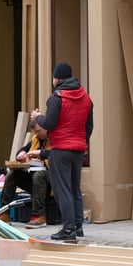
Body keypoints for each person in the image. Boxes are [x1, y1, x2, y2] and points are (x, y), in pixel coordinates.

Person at [32, 62, 93, 241]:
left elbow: (49, 123)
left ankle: (68, 229)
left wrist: (37, 117)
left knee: (62, 190)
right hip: (79, 149)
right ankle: (77, 225)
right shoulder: (86, 98)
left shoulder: (57, 98)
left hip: (61, 149)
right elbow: (89, 126)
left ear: (57, 79)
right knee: (74, 188)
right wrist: (83, 143)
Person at [0, 121, 51, 229]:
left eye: (39, 131)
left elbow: (56, 153)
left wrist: (40, 153)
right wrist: (20, 154)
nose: (37, 134)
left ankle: (39, 216)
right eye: (35, 132)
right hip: (35, 179)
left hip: (53, 179)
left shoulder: (56, 138)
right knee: (12, 174)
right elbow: (23, 150)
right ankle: (4, 213)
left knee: (38, 175)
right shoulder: (36, 139)